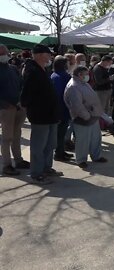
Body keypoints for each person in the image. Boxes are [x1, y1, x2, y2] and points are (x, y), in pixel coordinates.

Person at [20, 44, 63, 184]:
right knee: (39, 145)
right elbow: (27, 94)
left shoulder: (43, 69)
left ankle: (46, 168)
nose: (50, 56)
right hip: (40, 115)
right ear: (38, 55)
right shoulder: (31, 70)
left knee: (50, 144)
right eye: (47, 53)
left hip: (51, 114)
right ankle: (36, 173)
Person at [64, 66, 108, 168]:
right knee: (83, 140)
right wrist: (86, 116)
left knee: (95, 138)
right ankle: (81, 160)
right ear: (80, 75)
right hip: (83, 118)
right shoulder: (74, 86)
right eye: (86, 74)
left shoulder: (83, 83)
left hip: (93, 116)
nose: (88, 76)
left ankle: (96, 156)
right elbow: (77, 105)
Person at [0, 44, 30, 176]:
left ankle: (18, 160)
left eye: (6, 53)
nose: (5, 55)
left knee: (17, 134)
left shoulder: (12, 69)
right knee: (7, 137)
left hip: (18, 106)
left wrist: (21, 101)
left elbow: (20, 84)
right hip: (5, 109)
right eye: (2, 54)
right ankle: (7, 165)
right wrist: (5, 104)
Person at [50, 56, 74, 162]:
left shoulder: (54, 75)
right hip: (62, 109)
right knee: (60, 133)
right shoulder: (61, 77)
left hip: (61, 108)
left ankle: (61, 151)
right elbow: (60, 94)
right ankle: (59, 153)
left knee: (62, 133)